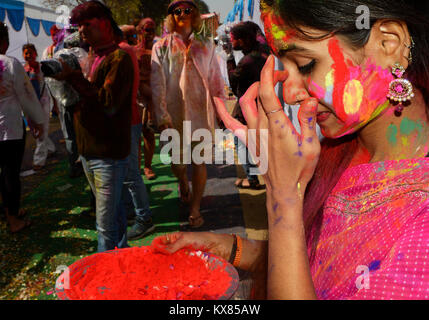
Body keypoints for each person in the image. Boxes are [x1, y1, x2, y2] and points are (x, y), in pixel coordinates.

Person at [152, 0, 429, 300]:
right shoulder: (334, 152)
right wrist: (224, 247)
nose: (290, 93)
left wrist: (283, 197)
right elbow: (317, 264)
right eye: (286, 67)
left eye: (307, 64)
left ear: (389, 43)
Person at [55, 1, 134, 252]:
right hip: (91, 150)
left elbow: (108, 104)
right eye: (79, 27)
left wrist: (73, 77)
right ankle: (121, 260)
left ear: (104, 23)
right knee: (115, 213)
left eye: (87, 25)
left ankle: (105, 282)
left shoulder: (119, 58)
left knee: (104, 225)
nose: (82, 32)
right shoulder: (93, 56)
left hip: (107, 152)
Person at [151, 0, 225, 228]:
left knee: (200, 162)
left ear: (195, 14)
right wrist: (162, 116)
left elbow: (216, 79)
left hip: (201, 112)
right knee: (178, 163)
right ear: (170, 16)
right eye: (177, 11)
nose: (182, 14)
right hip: (174, 115)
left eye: (187, 10)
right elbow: (157, 83)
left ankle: (195, 208)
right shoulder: (161, 46)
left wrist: (221, 112)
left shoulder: (206, 45)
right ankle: (183, 181)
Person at [0, 23, 44, 233]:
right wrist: (36, 121)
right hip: (9, 129)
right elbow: (26, 97)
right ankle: (13, 218)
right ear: (4, 42)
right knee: (10, 174)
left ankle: (7, 210)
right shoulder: (10, 63)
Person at [116, 24, 155, 240]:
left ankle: (143, 217)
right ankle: (134, 212)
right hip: (131, 112)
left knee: (131, 171)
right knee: (128, 170)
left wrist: (152, 105)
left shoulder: (123, 51)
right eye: (143, 30)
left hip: (132, 113)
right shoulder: (131, 51)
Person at [227, 22, 268, 190]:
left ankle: (252, 179)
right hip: (263, 106)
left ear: (242, 40)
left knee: (241, 143)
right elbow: (258, 32)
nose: (231, 42)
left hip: (248, 109)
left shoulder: (247, 61)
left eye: (233, 39)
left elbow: (232, 81)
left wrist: (229, 57)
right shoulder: (263, 51)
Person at [22, 44, 56, 171]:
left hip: (43, 102)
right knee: (36, 131)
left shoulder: (43, 67)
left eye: (31, 52)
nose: (28, 55)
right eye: (26, 53)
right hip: (30, 105)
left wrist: (55, 104)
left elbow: (51, 85)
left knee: (41, 130)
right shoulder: (23, 69)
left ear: (36, 53)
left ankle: (39, 160)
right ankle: (51, 148)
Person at [135, 17, 157, 181]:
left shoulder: (159, 50)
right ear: (140, 31)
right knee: (135, 135)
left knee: (149, 133)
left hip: (154, 98)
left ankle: (147, 166)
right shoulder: (134, 51)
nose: (150, 34)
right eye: (147, 30)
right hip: (137, 98)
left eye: (152, 30)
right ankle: (136, 167)